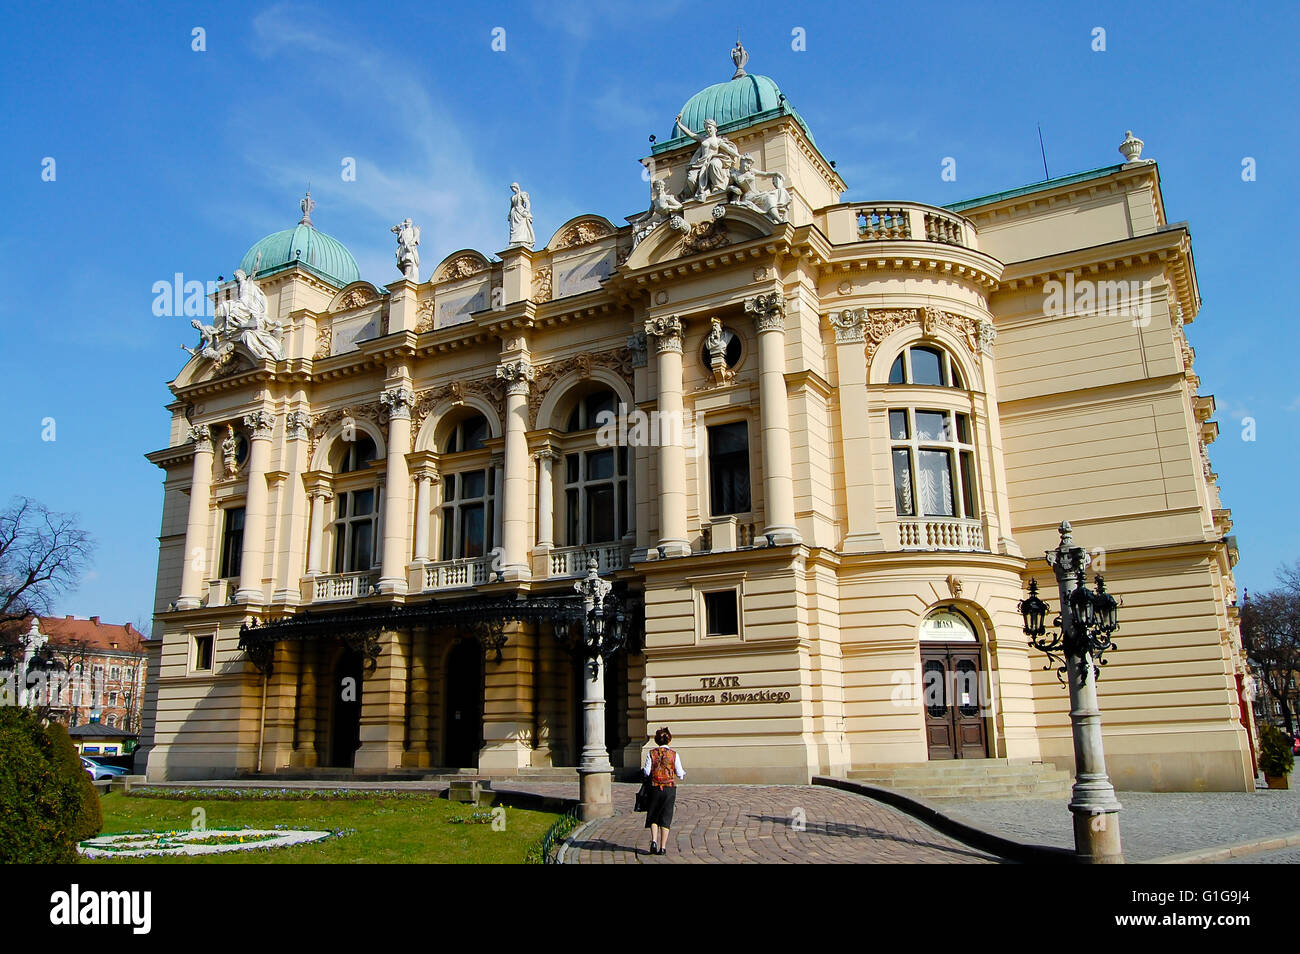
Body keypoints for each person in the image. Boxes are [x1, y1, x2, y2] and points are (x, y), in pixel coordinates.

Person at [642, 726, 685, 855]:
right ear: (669, 740)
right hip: (669, 789)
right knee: (666, 816)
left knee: (653, 814)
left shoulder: (652, 753)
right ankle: (663, 847)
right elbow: (680, 773)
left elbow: (646, 771)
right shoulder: (674, 754)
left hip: (654, 787)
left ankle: (654, 840)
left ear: (656, 740)